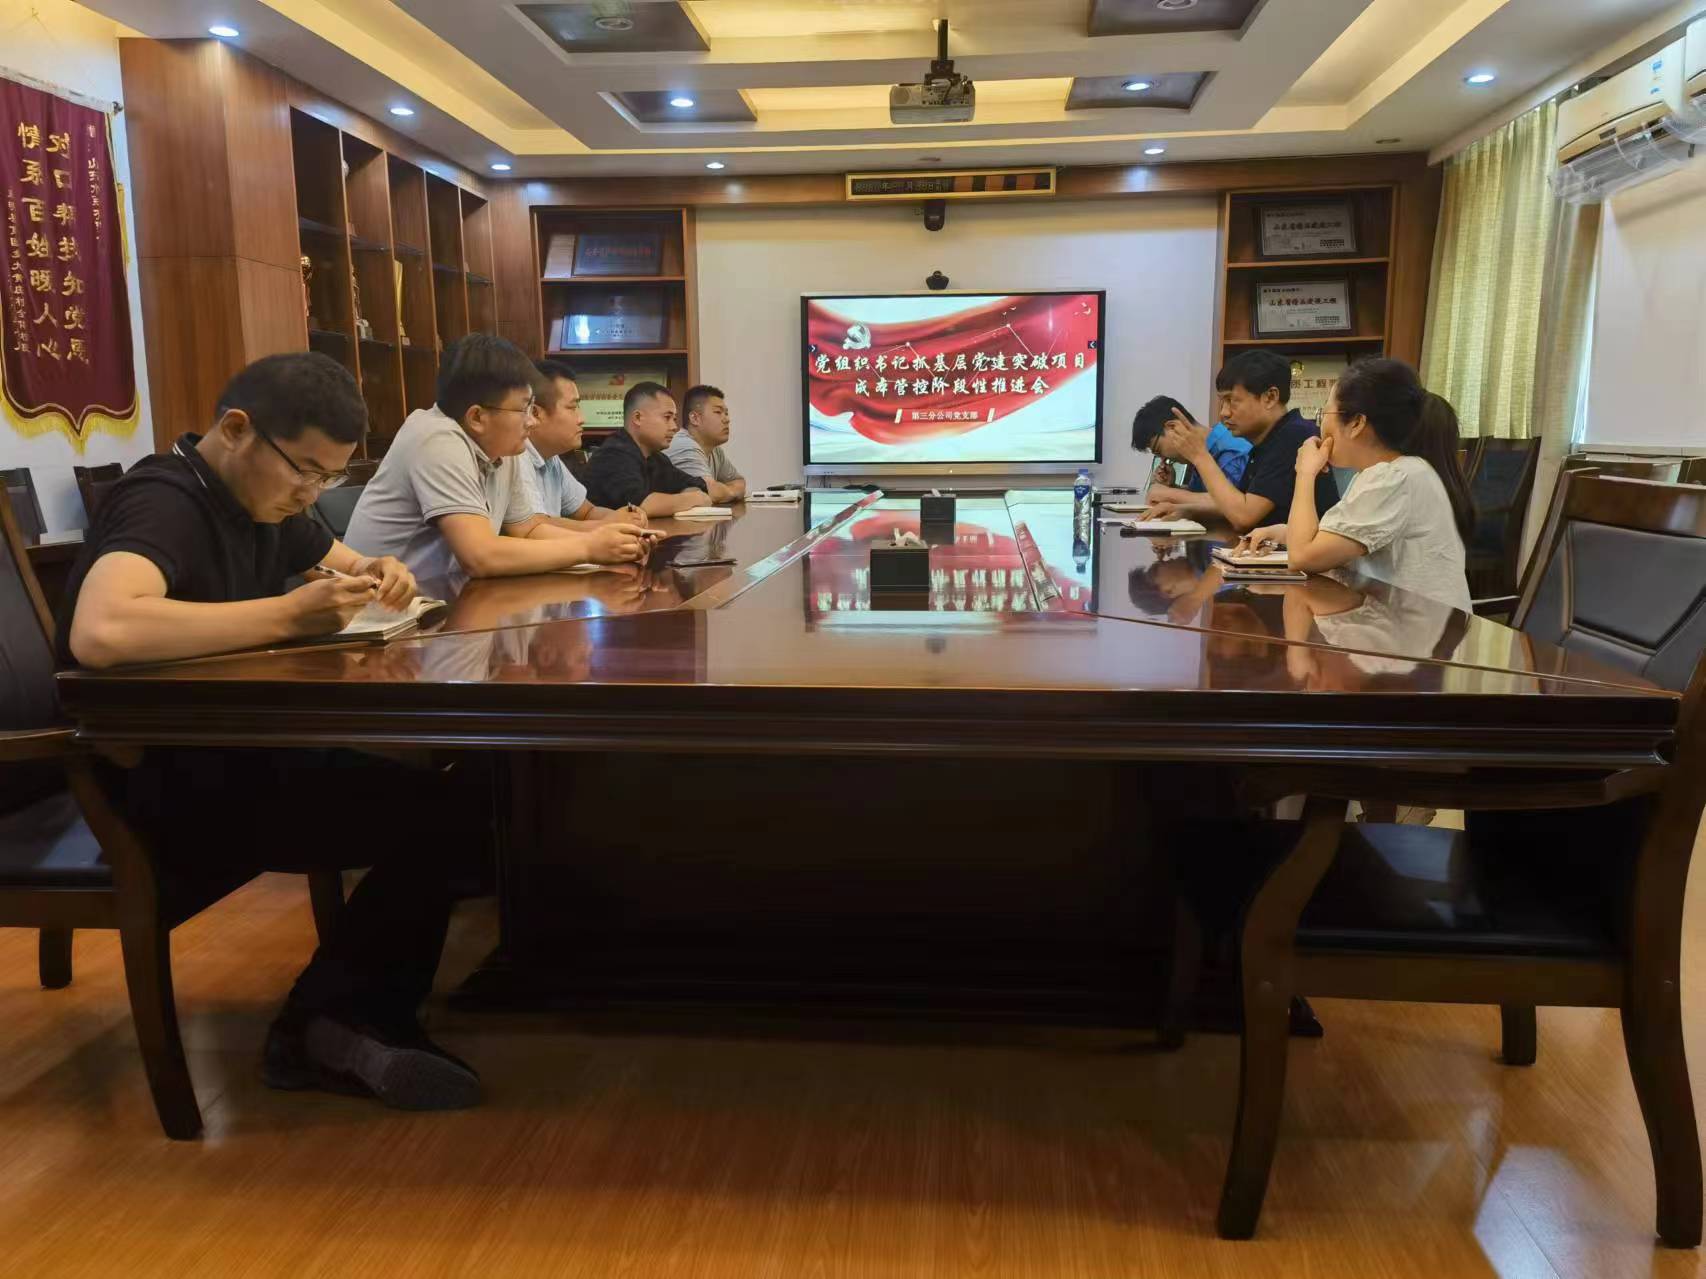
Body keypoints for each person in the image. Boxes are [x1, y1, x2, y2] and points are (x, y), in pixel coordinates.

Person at [58, 351, 490, 1111]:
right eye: (306, 471)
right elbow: (102, 630)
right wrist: (287, 615)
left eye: (328, 478)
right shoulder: (166, 498)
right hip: (160, 785)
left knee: (463, 794)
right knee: (445, 816)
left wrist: (383, 571)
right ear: (237, 430)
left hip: (236, 757)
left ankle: (343, 1011)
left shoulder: (264, 503)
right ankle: (329, 1026)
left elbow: (350, 562)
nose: (311, 493)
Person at [343, 334, 648, 583]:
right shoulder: (435, 439)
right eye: (523, 408)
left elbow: (528, 529)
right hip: (380, 615)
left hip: (442, 602)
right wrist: (588, 547)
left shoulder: (503, 445)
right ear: (477, 417)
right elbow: (480, 556)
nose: (532, 420)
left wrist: (613, 538)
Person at [1234, 358, 1475, 611]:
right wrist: (1284, 532)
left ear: (1357, 423)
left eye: (1324, 414)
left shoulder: (1394, 478)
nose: (1319, 425)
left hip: (1417, 630)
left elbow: (1302, 557)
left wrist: (1305, 473)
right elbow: (1337, 540)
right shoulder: (1381, 474)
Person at [1146, 349, 1339, 533]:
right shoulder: (1268, 441)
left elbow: (1243, 517)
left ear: (1270, 397)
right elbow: (1239, 504)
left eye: (1231, 401)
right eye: (1222, 402)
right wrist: (1187, 511)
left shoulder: (1294, 435)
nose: (1223, 413)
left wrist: (1199, 456)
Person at [523, 358, 650, 527]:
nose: (582, 419)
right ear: (535, 413)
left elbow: (586, 512)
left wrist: (629, 518)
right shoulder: (517, 456)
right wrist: (610, 526)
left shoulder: (551, 458)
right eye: (572, 407)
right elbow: (536, 527)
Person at [584, 381, 712, 516]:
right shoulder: (613, 455)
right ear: (638, 418)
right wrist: (692, 499)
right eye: (667, 417)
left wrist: (688, 496)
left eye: (674, 419)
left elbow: (696, 486)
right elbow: (642, 506)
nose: (674, 427)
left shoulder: (656, 458)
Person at [1133, 395, 1250, 502]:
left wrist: (1169, 494)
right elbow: (1205, 496)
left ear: (1173, 427)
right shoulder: (1205, 450)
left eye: (1159, 450)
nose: (1163, 460)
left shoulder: (1230, 451)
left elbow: (1235, 505)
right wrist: (1172, 487)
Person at [666, 384, 747, 504]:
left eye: (726, 413)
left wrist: (726, 492)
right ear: (695, 418)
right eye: (718, 412)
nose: (726, 419)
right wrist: (731, 492)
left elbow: (739, 482)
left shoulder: (715, 450)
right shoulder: (684, 445)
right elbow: (711, 492)